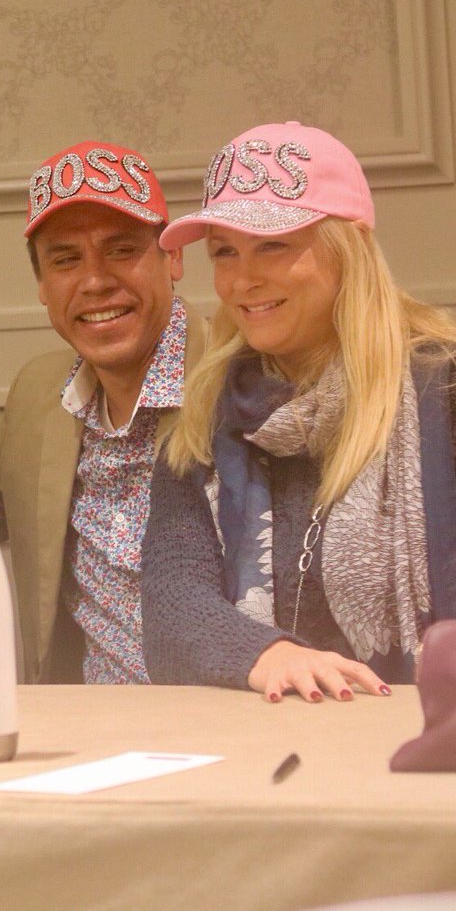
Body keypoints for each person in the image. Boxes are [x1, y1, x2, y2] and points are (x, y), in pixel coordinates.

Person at [142, 121, 456, 701]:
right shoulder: (207, 413)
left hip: (425, 733)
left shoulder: (442, 392)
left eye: (273, 245)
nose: (243, 279)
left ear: (348, 249)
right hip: (263, 735)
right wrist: (266, 654)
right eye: (225, 252)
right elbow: (170, 609)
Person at [0, 142, 207, 683]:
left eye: (121, 250)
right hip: (82, 722)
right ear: (42, 284)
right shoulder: (39, 392)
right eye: (65, 260)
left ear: (173, 257)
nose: (95, 280)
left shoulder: (241, 381)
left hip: (234, 712)